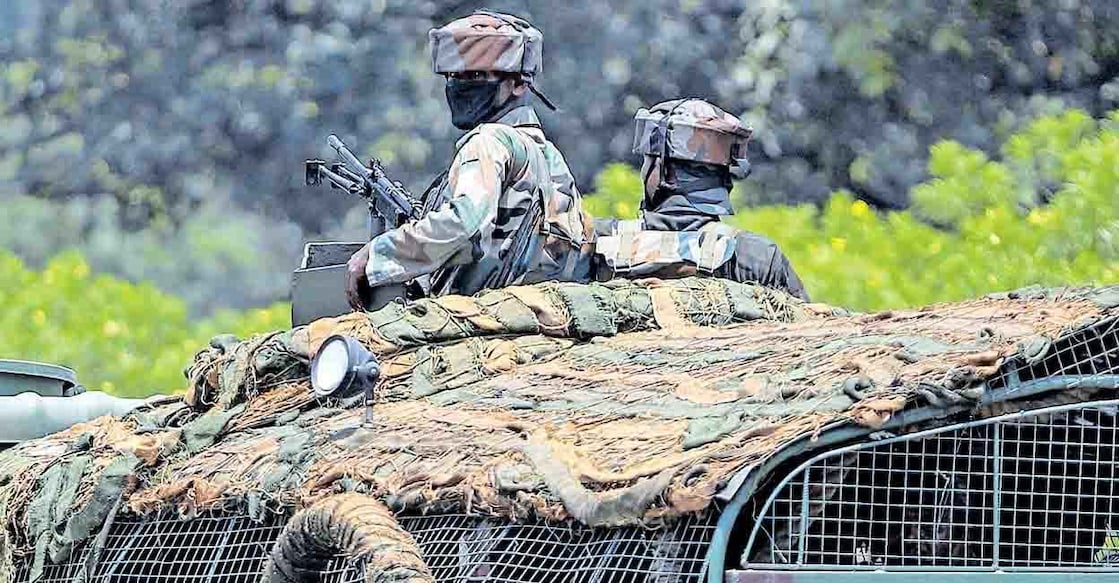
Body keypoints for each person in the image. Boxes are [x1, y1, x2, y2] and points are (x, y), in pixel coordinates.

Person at [345, 10, 593, 309]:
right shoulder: (546, 154)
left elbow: (464, 223)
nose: (461, 86)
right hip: (533, 312)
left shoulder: (488, 141)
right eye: (454, 76)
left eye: (475, 76)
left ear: (518, 84)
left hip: (482, 315)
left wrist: (376, 256)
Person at [593, 98, 810, 300]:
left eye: (648, 161)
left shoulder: (595, 243)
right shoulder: (757, 257)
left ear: (663, 171)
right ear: (725, 178)